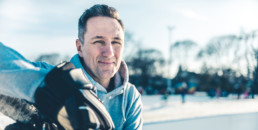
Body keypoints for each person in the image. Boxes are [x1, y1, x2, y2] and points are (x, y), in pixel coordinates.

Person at [0, 4, 143, 129]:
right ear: (80, 47)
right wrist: (48, 88)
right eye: (99, 41)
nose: (109, 52)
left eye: (116, 42)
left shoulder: (130, 96)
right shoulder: (46, 74)